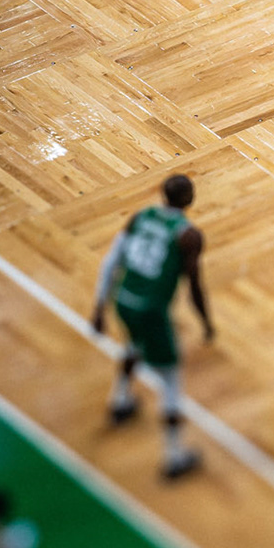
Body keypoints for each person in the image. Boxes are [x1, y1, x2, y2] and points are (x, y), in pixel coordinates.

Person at [90, 175, 213, 480]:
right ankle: (174, 458)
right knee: (171, 379)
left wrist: (99, 307)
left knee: (133, 343)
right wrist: (206, 322)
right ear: (189, 199)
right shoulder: (188, 236)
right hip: (152, 311)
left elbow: (111, 260)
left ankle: (120, 402)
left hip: (124, 300)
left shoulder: (141, 217)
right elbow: (194, 285)